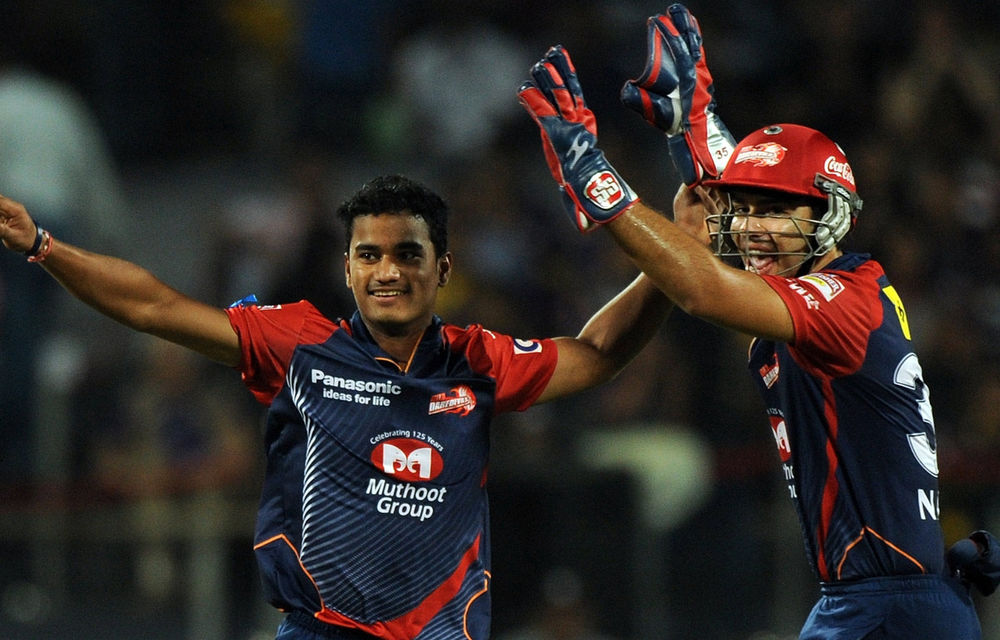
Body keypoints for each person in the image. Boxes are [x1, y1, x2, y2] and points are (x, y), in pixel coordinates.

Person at [0, 173, 675, 639]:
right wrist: (43, 246)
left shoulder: (479, 359)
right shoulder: (300, 345)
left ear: (442, 267)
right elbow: (154, 307)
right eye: (370, 255)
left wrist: (679, 260)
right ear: (348, 269)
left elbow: (597, 353)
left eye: (410, 254)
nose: (389, 272)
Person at [518, 4, 1000, 639]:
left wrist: (590, 174)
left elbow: (702, 287)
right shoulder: (829, 293)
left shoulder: (841, 300)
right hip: (879, 602)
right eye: (744, 209)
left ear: (830, 215)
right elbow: (713, 249)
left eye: (776, 210)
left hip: (888, 608)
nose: (753, 227)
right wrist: (692, 125)